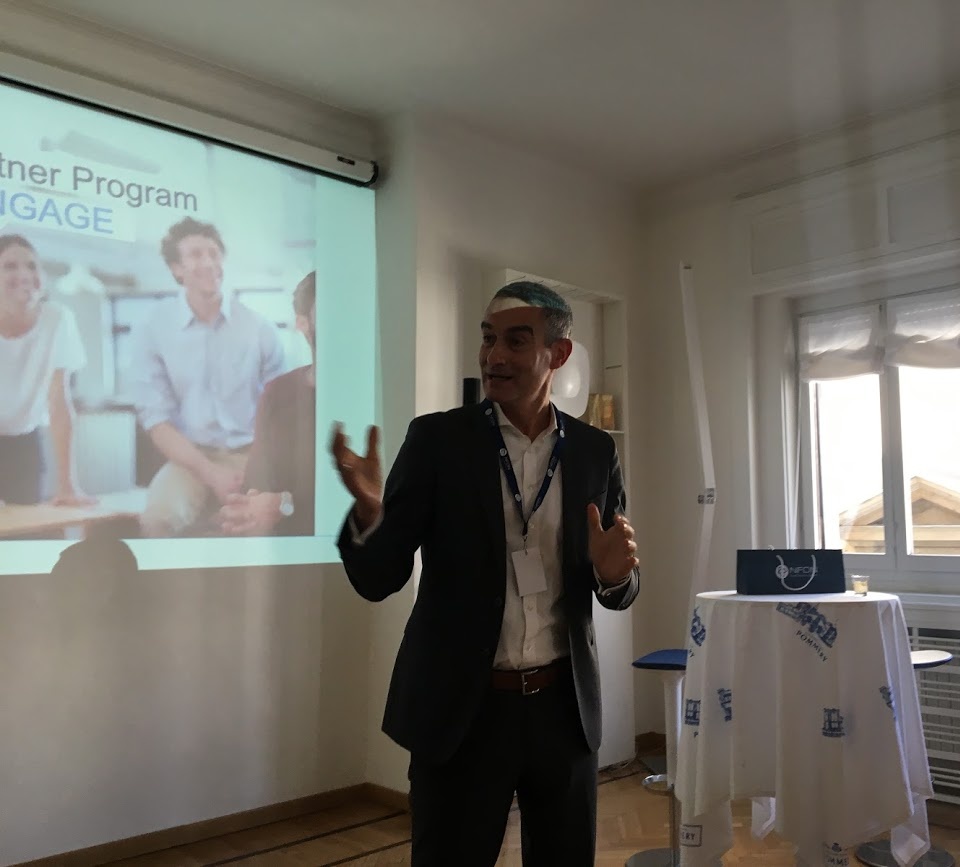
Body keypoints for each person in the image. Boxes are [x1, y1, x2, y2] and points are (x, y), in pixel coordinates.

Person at [331, 281, 640, 866]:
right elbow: (379, 578)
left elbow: (619, 584)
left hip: (563, 712)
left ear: (558, 353)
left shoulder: (595, 452)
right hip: (464, 713)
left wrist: (614, 576)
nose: (494, 355)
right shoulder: (437, 441)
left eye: (516, 342)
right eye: (488, 338)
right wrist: (372, 515)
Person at [130, 217, 286, 536]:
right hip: (191, 458)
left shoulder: (259, 327)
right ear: (176, 269)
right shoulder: (152, 328)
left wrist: (261, 465)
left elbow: (282, 410)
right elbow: (156, 420)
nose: (209, 263)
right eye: (196, 255)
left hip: (253, 454)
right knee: (156, 521)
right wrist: (211, 473)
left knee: (258, 523)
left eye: (214, 253)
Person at [217, 271, 317, 537]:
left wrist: (285, 504)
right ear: (303, 323)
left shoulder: (367, 392)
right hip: (279, 545)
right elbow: (257, 478)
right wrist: (247, 510)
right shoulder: (277, 392)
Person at [0, 234, 94, 508]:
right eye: (9, 266)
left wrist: (67, 485)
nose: (24, 275)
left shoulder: (57, 319)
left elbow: (59, 403)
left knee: (30, 525)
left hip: (24, 442)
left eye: (32, 266)